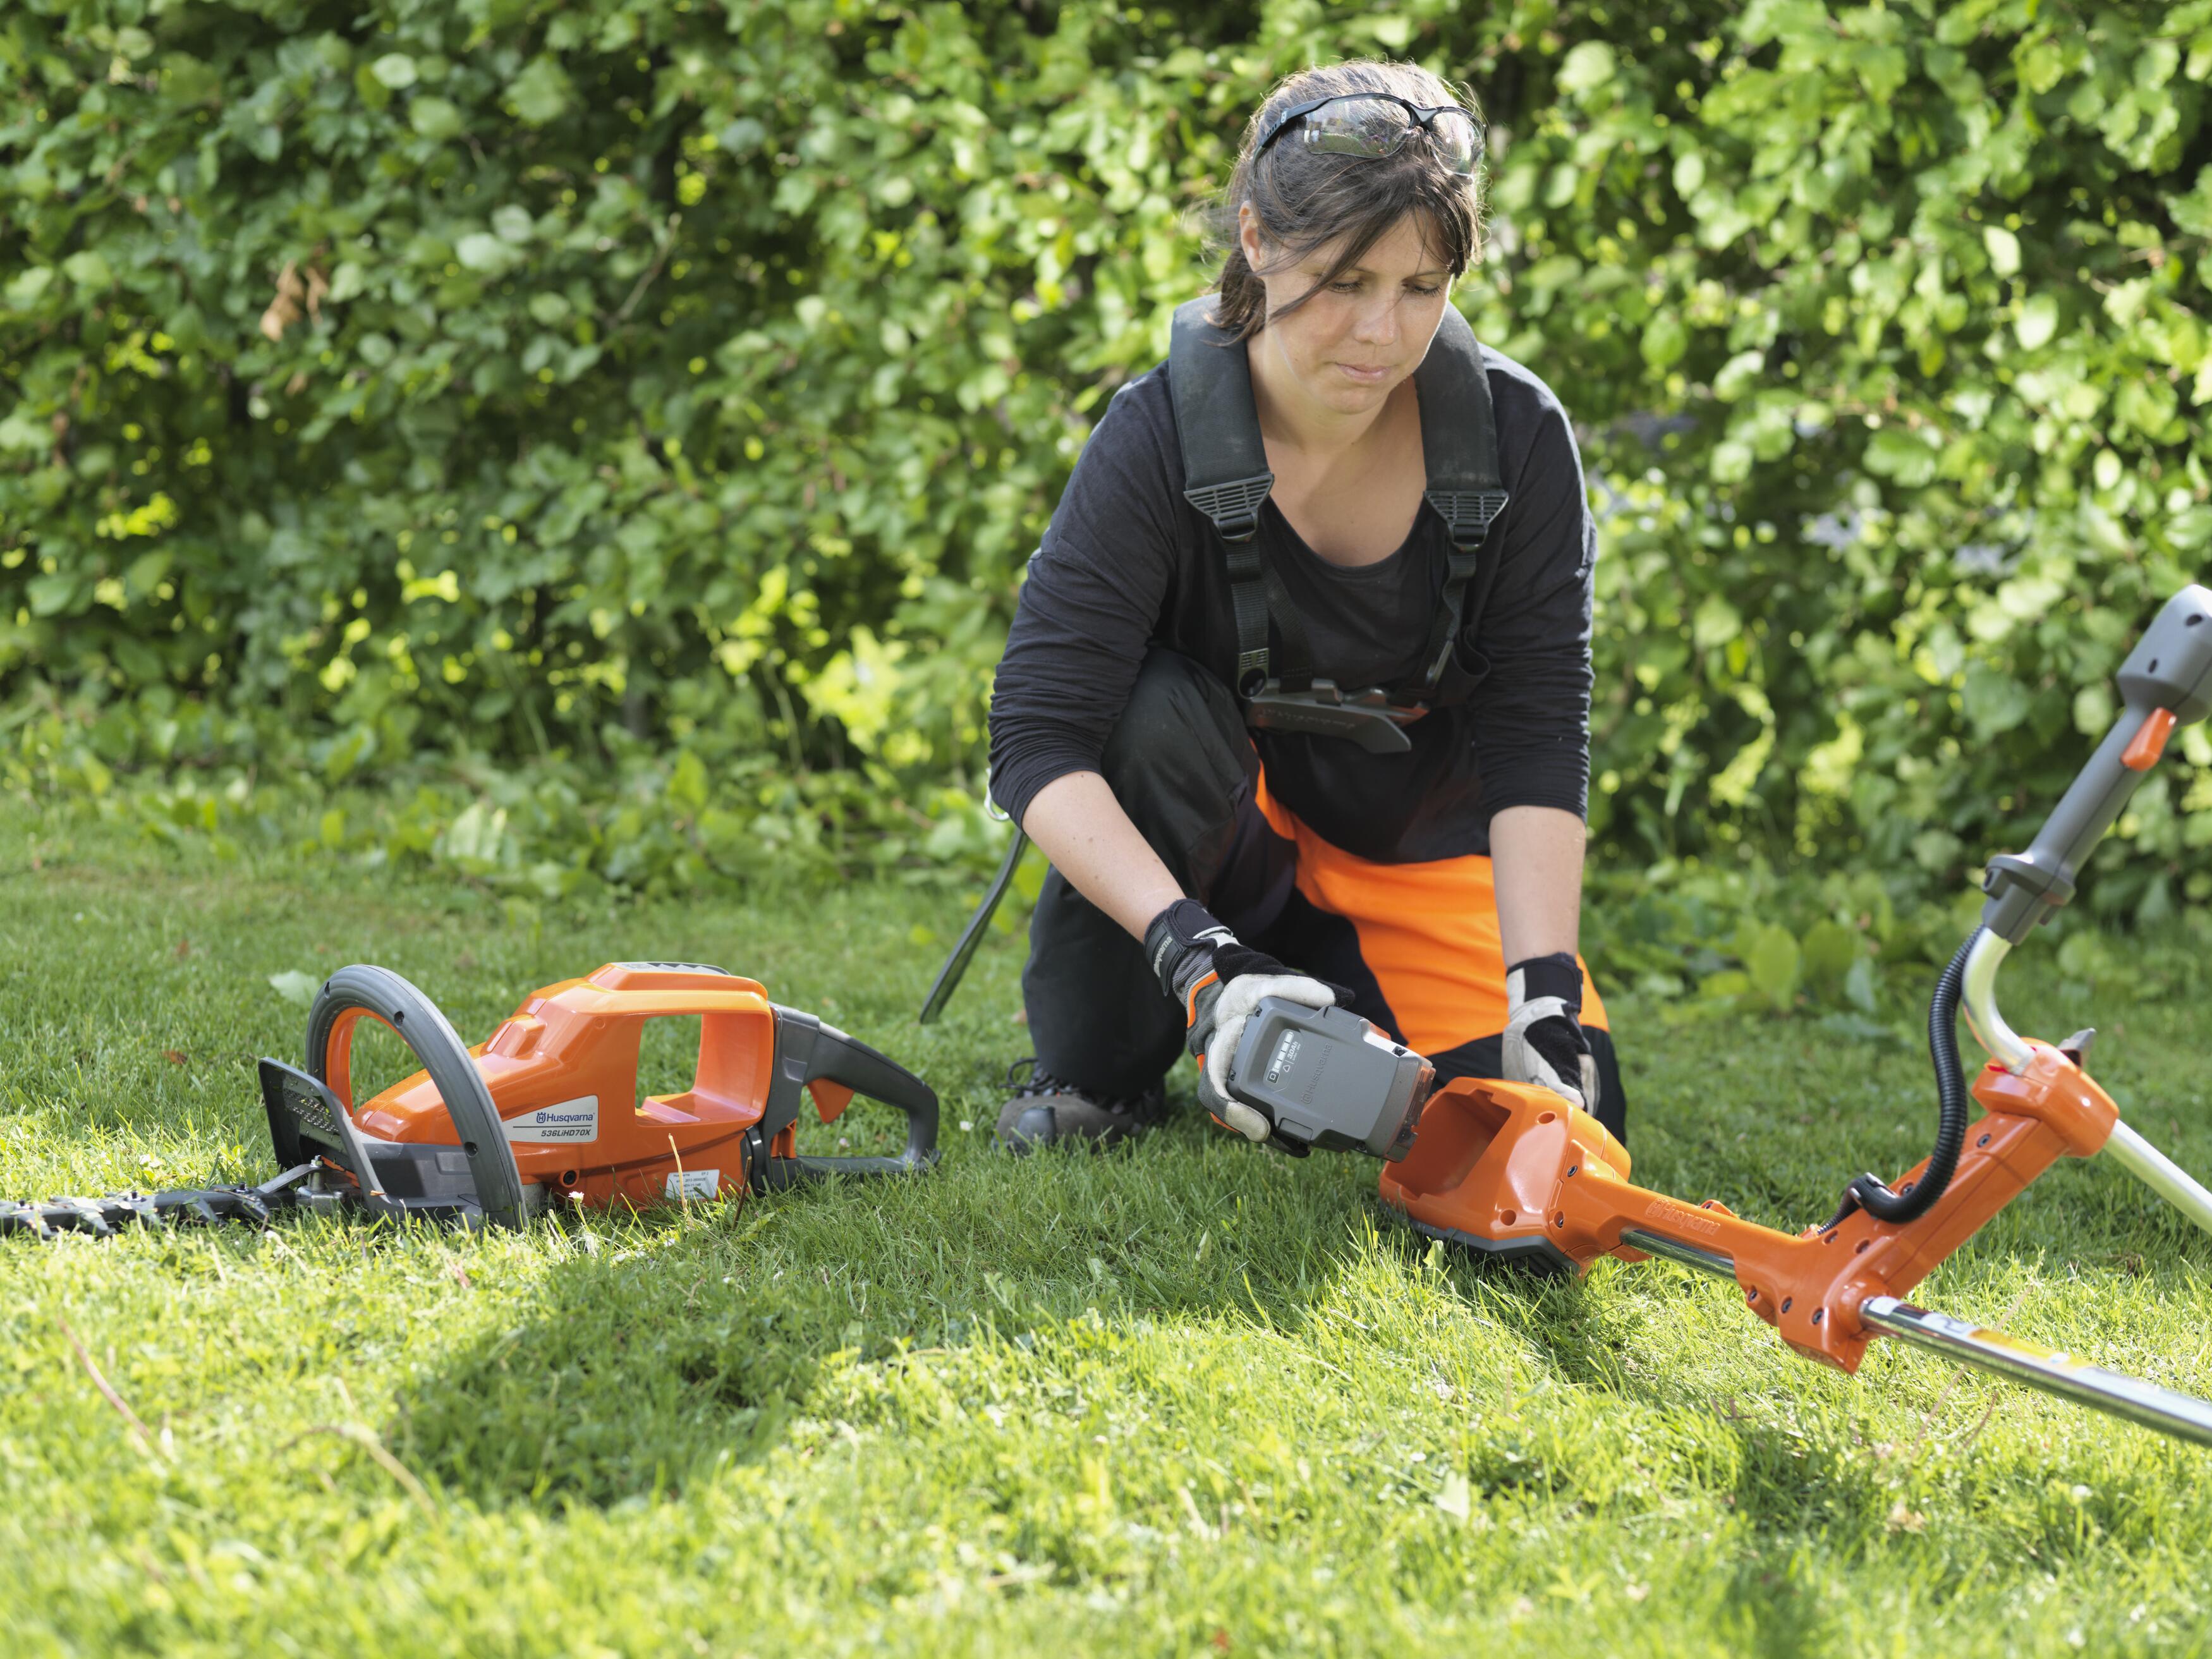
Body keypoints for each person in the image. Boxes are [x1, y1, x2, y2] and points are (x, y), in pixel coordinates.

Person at [985, 58, 1625, 1152]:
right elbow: (1035, 739)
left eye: (1422, 288)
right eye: (1345, 280)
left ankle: (1330, 1025)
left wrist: (1547, 992)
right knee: (1139, 714)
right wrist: (1201, 958)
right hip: (1213, 858)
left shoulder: (1517, 436)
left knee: (1541, 1134)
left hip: (1415, 861)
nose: (1383, 331)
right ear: (1256, 243)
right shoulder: (1155, 438)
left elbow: (1536, 732)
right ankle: (1158, 1044)